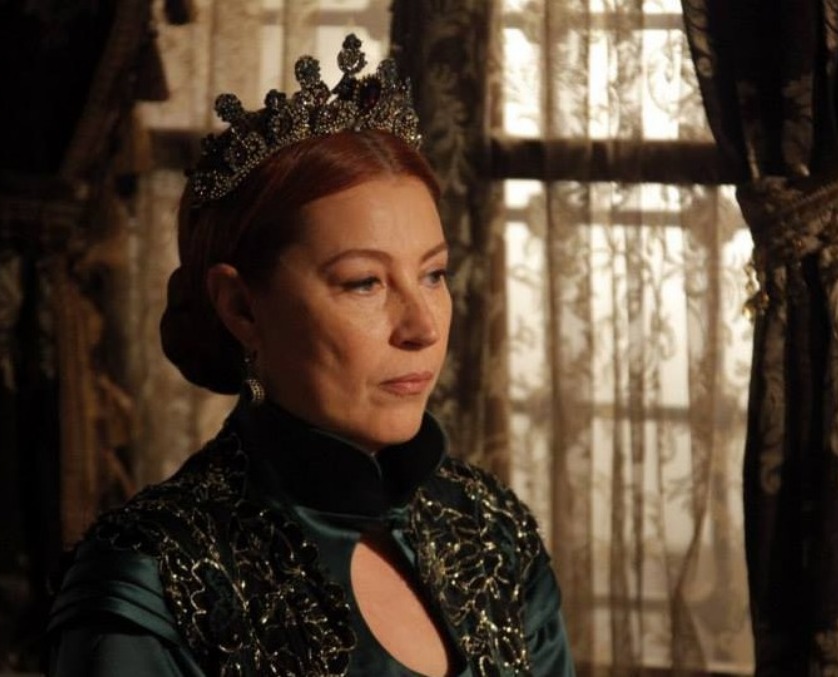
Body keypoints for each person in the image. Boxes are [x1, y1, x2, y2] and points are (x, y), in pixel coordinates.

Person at [46, 34, 574, 676]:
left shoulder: (491, 529)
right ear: (242, 309)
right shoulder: (152, 577)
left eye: (433, 275)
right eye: (364, 282)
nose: (422, 327)